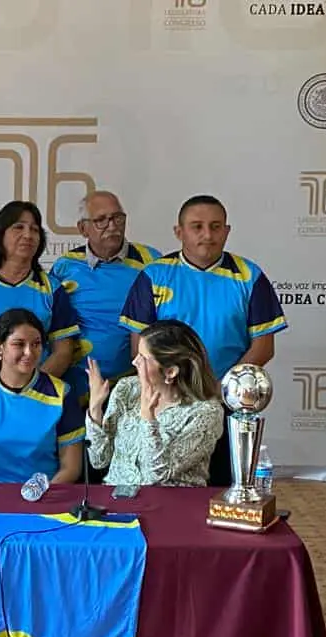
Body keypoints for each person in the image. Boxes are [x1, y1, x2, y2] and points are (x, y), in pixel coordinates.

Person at [119, 194, 287, 486]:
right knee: (165, 482)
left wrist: (220, 389)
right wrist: (175, 390)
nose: (207, 235)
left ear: (227, 231)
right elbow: (139, 347)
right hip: (168, 403)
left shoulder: (250, 276)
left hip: (224, 404)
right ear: (179, 232)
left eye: (215, 226)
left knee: (222, 487)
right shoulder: (154, 275)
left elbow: (263, 346)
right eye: (197, 226)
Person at [0, 200, 80, 385]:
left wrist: (32, 388)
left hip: (40, 394)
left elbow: (63, 351)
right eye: (19, 227)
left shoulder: (53, 289)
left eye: (34, 230)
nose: (28, 235)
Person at [0, 309, 84, 484]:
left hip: (45, 495)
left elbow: (71, 468)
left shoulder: (62, 394)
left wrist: (40, 494)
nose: (29, 352)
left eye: (36, 344)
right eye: (19, 344)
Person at [49, 191, 160, 407]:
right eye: (101, 220)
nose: (112, 226)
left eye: (118, 218)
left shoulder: (151, 261)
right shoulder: (65, 267)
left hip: (134, 388)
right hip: (76, 386)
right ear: (83, 228)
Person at [85, 320, 224, 488]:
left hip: (172, 499)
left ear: (170, 372)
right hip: (117, 496)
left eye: (143, 358)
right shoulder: (127, 388)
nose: (135, 362)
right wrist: (95, 408)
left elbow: (157, 476)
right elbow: (99, 460)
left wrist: (148, 419)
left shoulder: (206, 412)